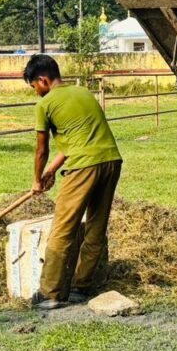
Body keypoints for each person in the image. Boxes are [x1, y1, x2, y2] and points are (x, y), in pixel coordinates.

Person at [25, 54, 123, 310]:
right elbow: (76, 141)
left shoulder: (45, 105)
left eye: (34, 86)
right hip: (111, 160)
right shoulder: (83, 93)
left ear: (43, 80)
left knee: (63, 229)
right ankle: (82, 287)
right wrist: (52, 172)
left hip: (83, 167)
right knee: (95, 227)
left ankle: (49, 293)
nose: (35, 92)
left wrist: (36, 180)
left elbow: (41, 151)